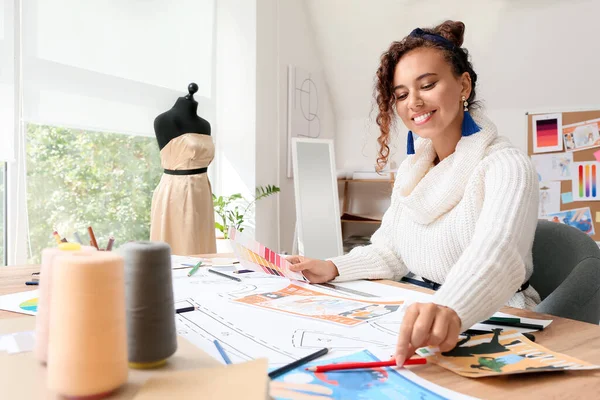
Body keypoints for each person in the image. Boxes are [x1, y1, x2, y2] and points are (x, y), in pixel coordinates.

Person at [287, 20, 540, 367]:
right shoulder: (411, 172)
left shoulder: (506, 166)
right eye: (402, 94)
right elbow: (392, 252)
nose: (414, 102)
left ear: (463, 84)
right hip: (419, 308)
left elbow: (497, 257)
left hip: (494, 318)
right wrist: (331, 266)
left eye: (428, 85)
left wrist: (448, 308)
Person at [150, 83, 217, 255]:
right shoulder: (164, 121)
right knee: (179, 245)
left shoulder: (205, 125)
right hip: (177, 191)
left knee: (201, 247)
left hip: (202, 191)